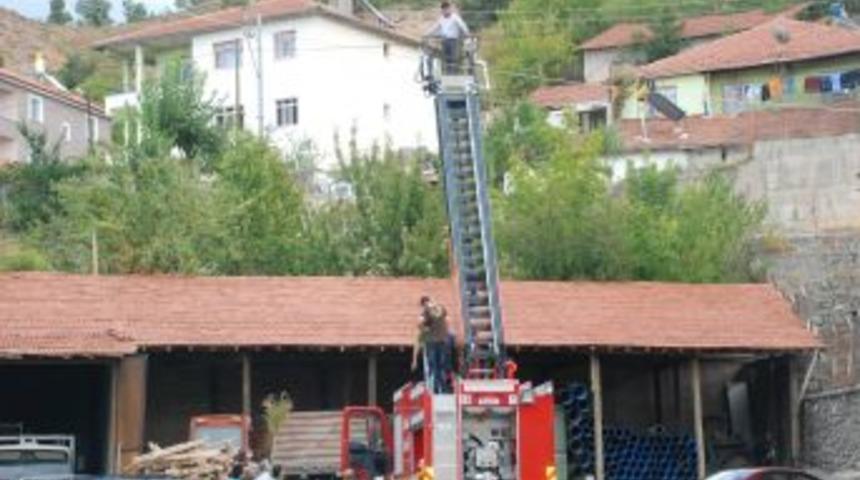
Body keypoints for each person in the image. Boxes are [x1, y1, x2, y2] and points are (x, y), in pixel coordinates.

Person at [412, 295, 451, 393]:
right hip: (443, 340)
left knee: (433, 367)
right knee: (442, 366)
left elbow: (419, 324)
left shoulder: (426, 311)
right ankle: (443, 389)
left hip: (432, 342)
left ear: (423, 304)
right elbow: (447, 321)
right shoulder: (440, 307)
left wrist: (414, 360)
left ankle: (435, 389)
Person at [426, 1, 470, 74]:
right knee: (445, 58)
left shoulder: (455, 17)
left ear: (449, 9)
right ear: (442, 10)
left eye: (447, 9)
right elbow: (435, 27)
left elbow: (463, 27)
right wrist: (427, 34)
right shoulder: (442, 18)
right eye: (444, 9)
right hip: (444, 40)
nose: (445, 11)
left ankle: (452, 74)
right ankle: (445, 74)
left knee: (453, 58)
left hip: (453, 40)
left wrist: (467, 36)